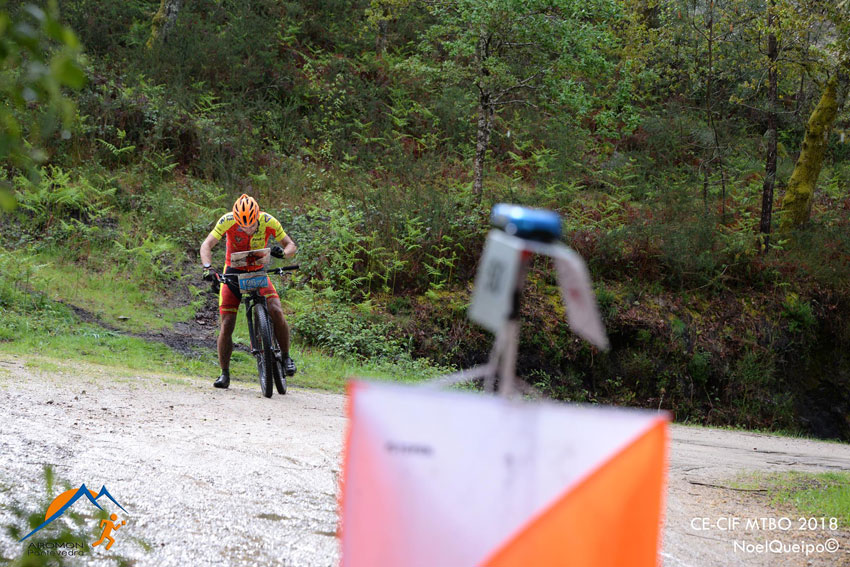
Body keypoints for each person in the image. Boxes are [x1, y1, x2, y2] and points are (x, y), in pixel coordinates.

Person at [199, 194, 297, 389]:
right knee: (227, 324)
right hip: (233, 272)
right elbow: (206, 245)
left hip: (257, 271)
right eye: (243, 226)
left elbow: (291, 245)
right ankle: (224, 373)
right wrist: (207, 268)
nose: (248, 229)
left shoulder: (268, 221)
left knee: (276, 310)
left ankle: (286, 357)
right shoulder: (227, 221)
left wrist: (283, 254)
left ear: (257, 216)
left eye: (252, 225)